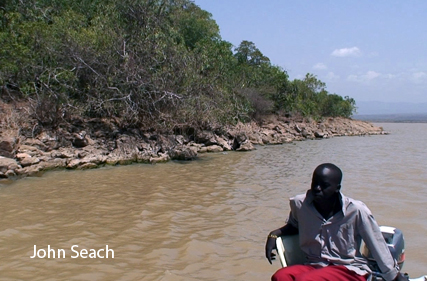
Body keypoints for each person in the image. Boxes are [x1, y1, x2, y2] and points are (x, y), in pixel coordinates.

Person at [265, 163, 407, 281]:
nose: (317, 189)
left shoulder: (356, 210)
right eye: (315, 183)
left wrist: (393, 276)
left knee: (307, 280)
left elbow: (376, 244)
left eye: (324, 185)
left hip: (349, 268)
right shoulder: (300, 205)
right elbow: (294, 226)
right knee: (280, 276)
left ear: (337, 188)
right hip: (315, 264)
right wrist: (274, 234)